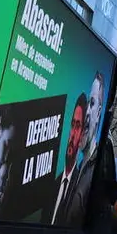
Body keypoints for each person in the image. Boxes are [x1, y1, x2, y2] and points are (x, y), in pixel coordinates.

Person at [54, 73, 107, 227]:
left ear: (98, 113)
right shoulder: (78, 167)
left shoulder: (96, 169)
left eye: (92, 103)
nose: (87, 113)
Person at [48, 94, 88, 225]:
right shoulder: (53, 184)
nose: (72, 134)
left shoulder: (79, 188)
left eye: (78, 126)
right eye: (72, 125)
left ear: (82, 135)